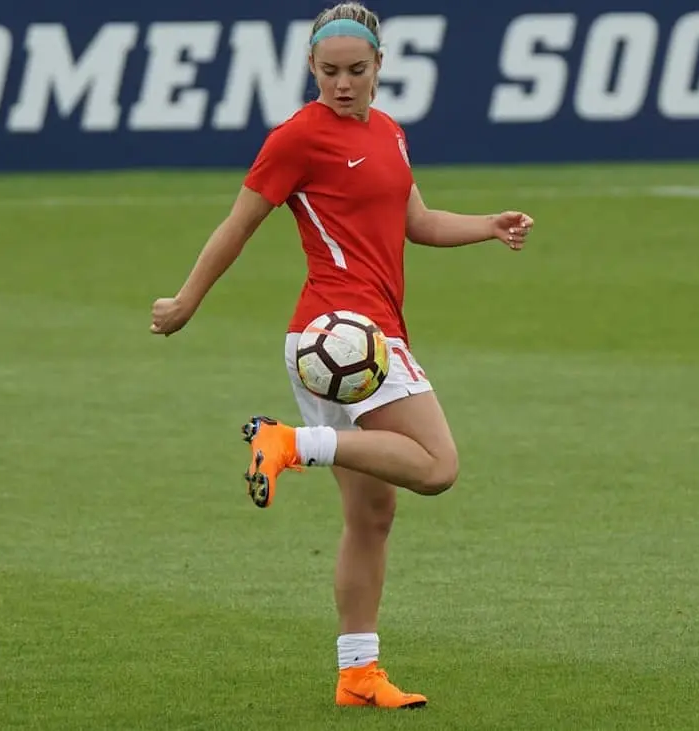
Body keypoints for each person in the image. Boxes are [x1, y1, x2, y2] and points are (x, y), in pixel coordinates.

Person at [149, 1, 534, 710]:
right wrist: (186, 300)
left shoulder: (388, 131)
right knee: (439, 466)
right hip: (344, 336)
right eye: (329, 72)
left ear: (381, 66)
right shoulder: (297, 137)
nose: (343, 84)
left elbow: (415, 220)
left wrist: (489, 225)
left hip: (349, 339)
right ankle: (291, 441)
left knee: (371, 515)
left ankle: (357, 672)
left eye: (357, 70)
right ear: (310, 68)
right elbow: (238, 224)